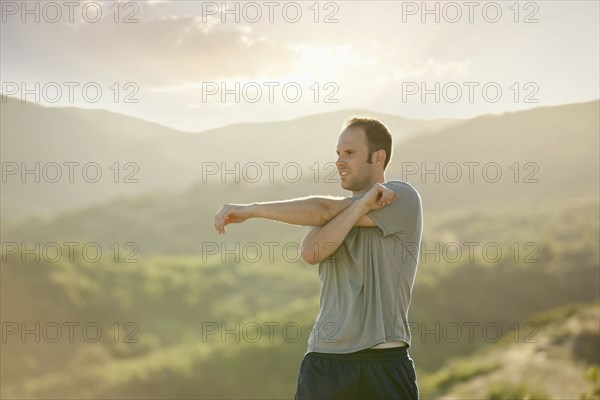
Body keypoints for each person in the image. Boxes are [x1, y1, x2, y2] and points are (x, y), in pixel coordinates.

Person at [214, 117, 423, 399]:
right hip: (325, 360)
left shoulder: (401, 198)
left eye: (350, 153)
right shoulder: (333, 215)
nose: (339, 161)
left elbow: (324, 209)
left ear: (378, 157)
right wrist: (360, 205)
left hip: (383, 361)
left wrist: (252, 209)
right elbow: (311, 252)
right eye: (338, 154)